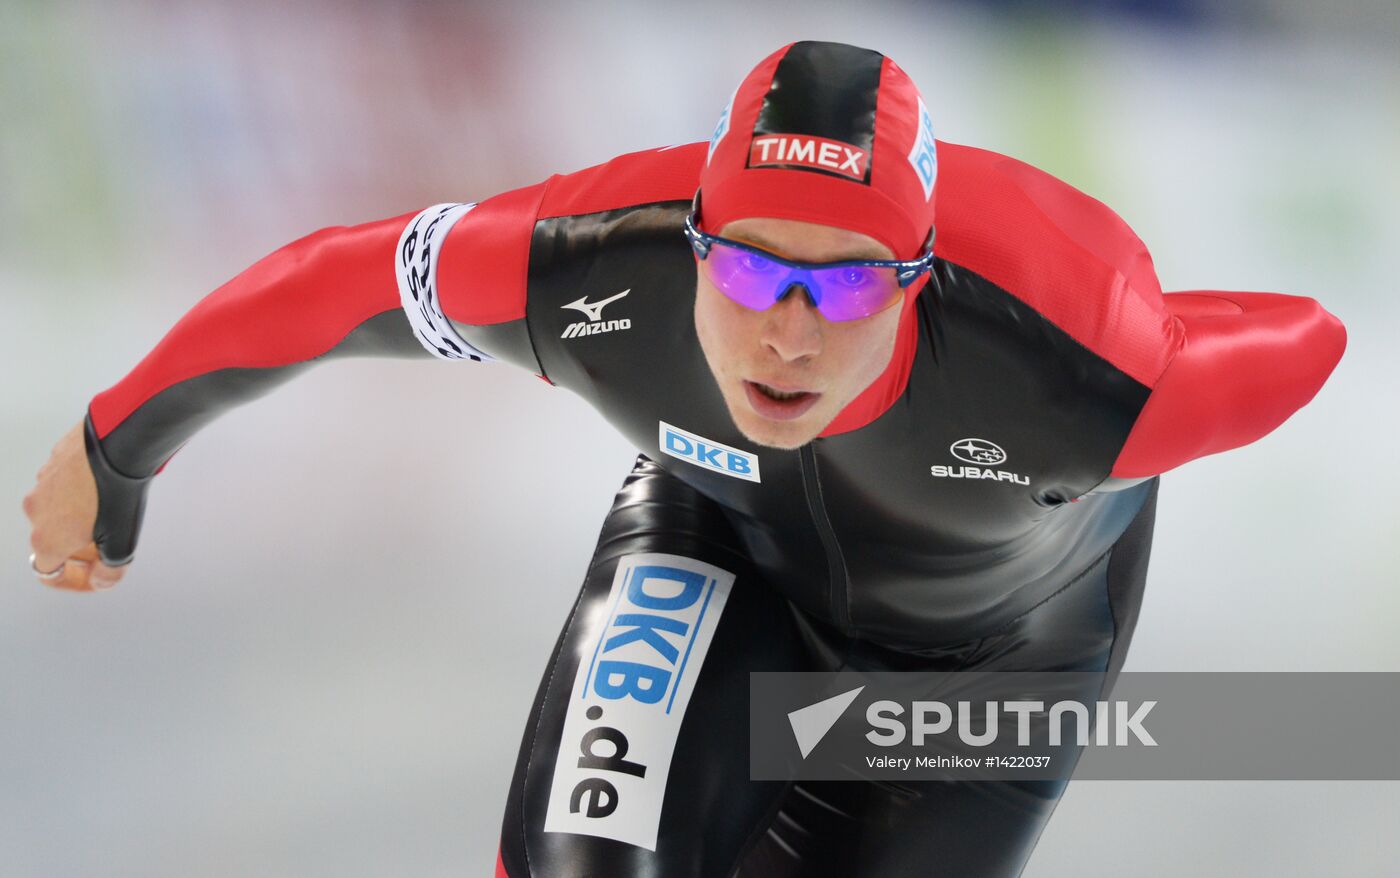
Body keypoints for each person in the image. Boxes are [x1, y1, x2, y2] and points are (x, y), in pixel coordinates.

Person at [22, 40, 1346, 877]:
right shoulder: (593, 266)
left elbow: (1311, 335)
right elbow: (326, 290)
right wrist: (114, 443)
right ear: (694, 242)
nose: (785, 331)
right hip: (720, 542)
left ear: (921, 286)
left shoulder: (1086, 369)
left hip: (996, 668)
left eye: (842, 291)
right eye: (755, 267)